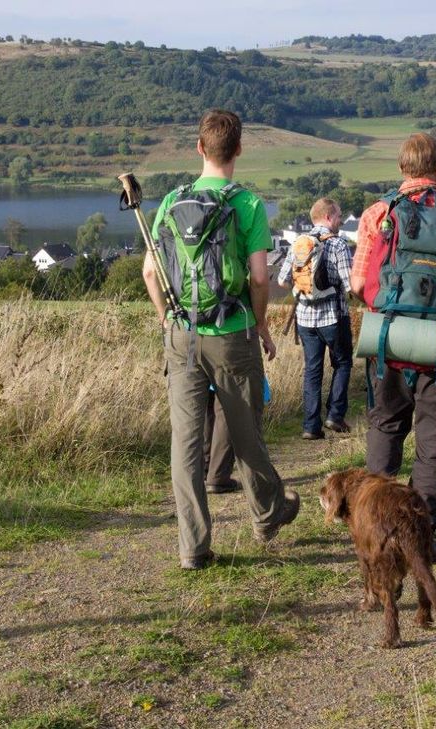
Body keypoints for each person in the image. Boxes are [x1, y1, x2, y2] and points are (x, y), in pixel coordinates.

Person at [142, 109, 300, 570]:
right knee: (246, 432)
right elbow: (258, 277)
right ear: (238, 151)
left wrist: (165, 318)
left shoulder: (171, 202)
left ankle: (193, 546)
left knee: (186, 444)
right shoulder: (247, 204)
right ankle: (268, 514)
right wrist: (262, 325)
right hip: (233, 333)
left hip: (180, 333)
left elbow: (151, 271)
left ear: (199, 148)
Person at [349, 132, 436, 562]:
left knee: (386, 427)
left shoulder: (379, 213)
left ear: (402, 167)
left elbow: (357, 283)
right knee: (435, 439)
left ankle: (377, 526)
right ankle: (422, 530)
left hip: (388, 341)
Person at [276, 197, 354, 439]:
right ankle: (335, 415)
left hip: (305, 320)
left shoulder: (298, 243)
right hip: (333, 316)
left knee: (312, 370)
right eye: (339, 215)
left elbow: (280, 280)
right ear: (329, 217)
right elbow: (350, 285)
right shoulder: (338, 244)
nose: (341, 220)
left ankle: (310, 427)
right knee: (342, 363)